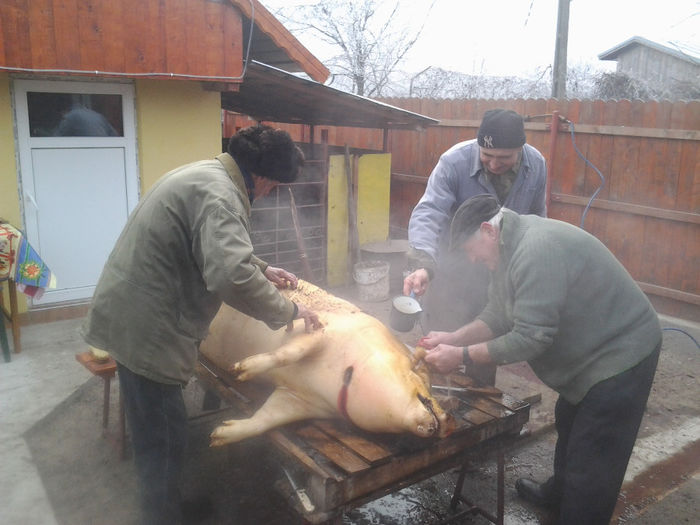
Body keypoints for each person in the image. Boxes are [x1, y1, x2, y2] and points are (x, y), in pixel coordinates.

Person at [81, 124, 322, 525]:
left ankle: (167, 507)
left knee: (165, 430)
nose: (269, 195)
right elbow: (229, 275)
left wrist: (263, 267)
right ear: (261, 176)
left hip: (134, 314)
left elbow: (214, 246)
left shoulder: (206, 175)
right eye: (274, 186)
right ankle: (162, 517)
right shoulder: (222, 197)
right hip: (147, 327)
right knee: (161, 438)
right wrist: (289, 312)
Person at [421, 194, 661, 525]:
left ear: (488, 230)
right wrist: (453, 337)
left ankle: (580, 515)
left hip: (622, 354)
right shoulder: (505, 248)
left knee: (594, 456)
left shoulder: (534, 251)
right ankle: (559, 495)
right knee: (569, 419)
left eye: (469, 249)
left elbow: (531, 338)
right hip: (590, 355)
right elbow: (499, 313)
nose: (472, 260)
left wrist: (460, 356)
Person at [403, 108, 547, 384]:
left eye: (504, 157)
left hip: (498, 269)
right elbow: (429, 212)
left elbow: (536, 217)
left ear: (521, 148)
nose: (493, 164)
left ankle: (482, 397)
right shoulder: (453, 162)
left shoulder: (536, 165)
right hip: (451, 268)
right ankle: (431, 393)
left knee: (487, 337)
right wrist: (423, 265)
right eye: (486, 155)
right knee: (440, 340)